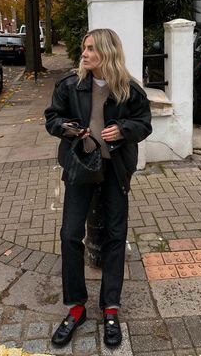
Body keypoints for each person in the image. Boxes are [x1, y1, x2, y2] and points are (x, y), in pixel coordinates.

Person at [44, 28, 152, 348]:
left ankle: (111, 307)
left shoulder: (129, 90)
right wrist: (65, 128)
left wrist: (123, 129)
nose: (85, 53)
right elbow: (52, 117)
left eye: (91, 48)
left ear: (107, 52)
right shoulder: (70, 85)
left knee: (115, 237)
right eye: (84, 48)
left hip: (115, 170)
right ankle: (77, 307)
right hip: (80, 167)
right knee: (69, 234)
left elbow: (144, 123)